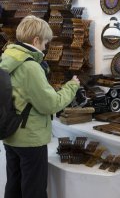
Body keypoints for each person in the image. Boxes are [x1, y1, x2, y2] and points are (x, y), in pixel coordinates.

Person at [0, 15, 80, 198]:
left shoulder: (8, 58)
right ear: (36, 40)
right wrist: (72, 86)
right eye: (44, 43)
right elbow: (50, 104)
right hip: (30, 137)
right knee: (34, 190)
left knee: (14, 185)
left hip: (11, 133)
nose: (45, 48)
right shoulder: (30, 67)